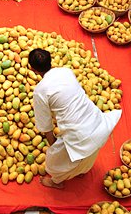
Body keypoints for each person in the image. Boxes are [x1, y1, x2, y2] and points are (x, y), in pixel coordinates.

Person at [28, 48, 122, 189]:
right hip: (97, 121)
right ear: (50, 60)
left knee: (55, 162)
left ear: (32, 69)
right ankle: (81, 171)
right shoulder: (66, 71)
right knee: (90, 149)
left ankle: (56, 182)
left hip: (79, 132)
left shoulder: (40, 91)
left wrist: (53, 145)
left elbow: (45, 125)